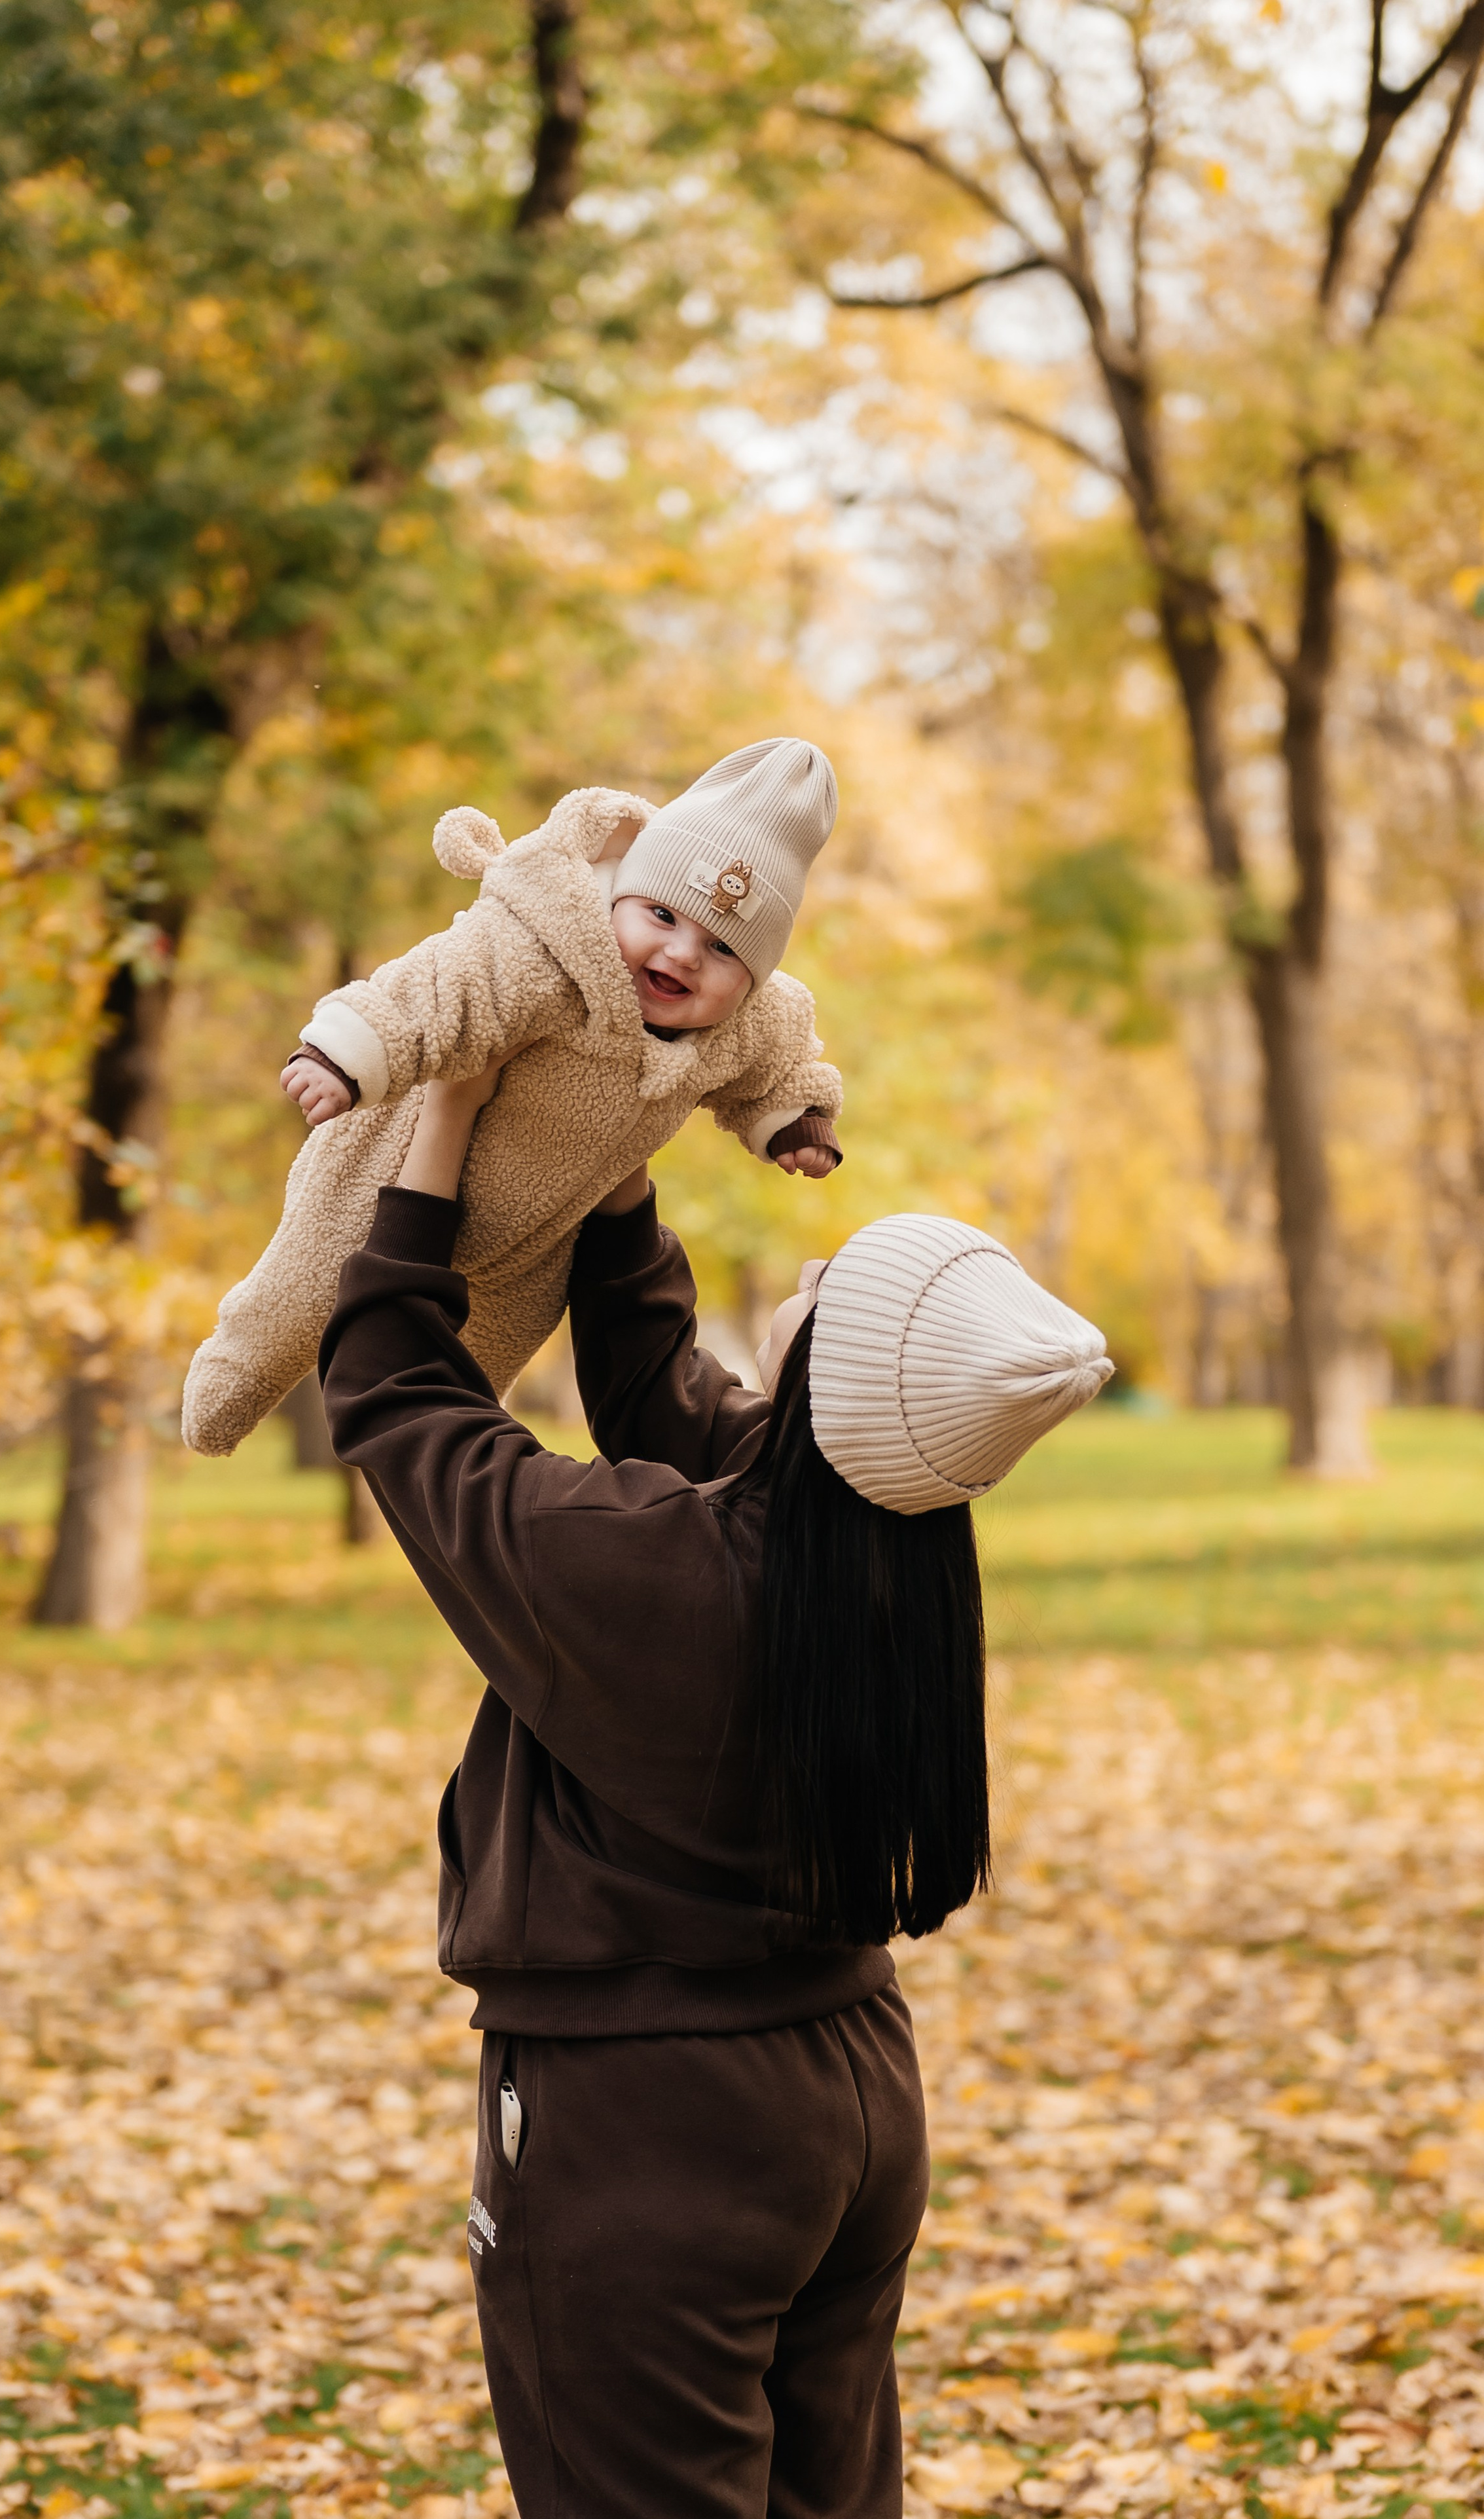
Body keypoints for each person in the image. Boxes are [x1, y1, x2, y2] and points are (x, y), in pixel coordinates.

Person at [317, 1066, 1112, 2519]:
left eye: (834, 1288)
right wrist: (614, 1139)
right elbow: (656, 1387)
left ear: (833, 1387)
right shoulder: (888, 1553)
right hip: (848, 2104)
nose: (810, 1267)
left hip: (650, 2130)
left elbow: (394, 1395)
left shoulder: (655, 1575)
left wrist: (441, 1118)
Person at [181, 739, 844, 1458]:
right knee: (304, 1289)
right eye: (662, 916)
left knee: (475, 1372)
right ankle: (233, 1379)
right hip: (387, 1175)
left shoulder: (747, 1025)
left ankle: (435, 1456)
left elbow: (780, 1065)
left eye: (722, 950)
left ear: (752, 980)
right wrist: (345, 1054)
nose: (683, 954)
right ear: (619, 893)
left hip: (536, 1238)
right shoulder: (541, 951)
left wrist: (793, 1124)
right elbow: (440, 986)